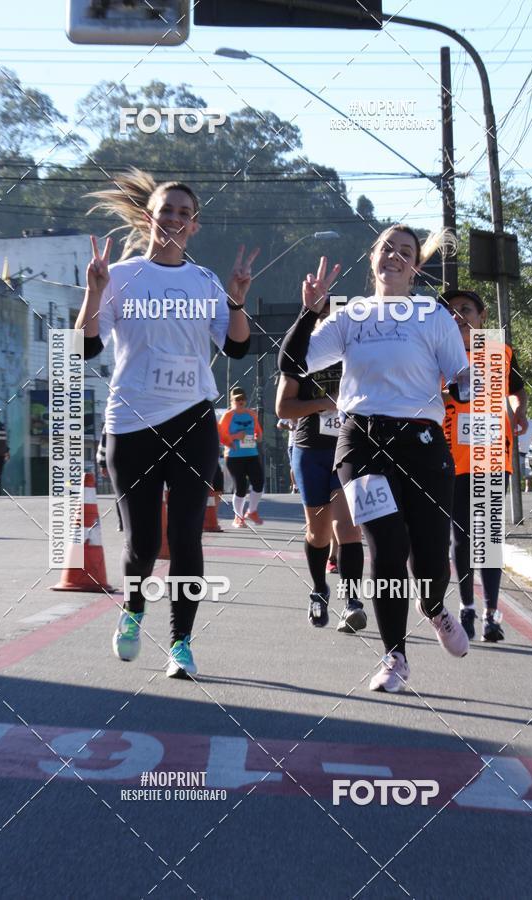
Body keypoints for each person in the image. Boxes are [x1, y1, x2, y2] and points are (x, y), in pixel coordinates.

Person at [76, 168, 258, 677]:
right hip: (131, 424)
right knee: (141, 545)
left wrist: (237, 297)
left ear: (194, 225)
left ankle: (181, 642)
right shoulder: (124, 277)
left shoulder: (205, 282)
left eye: (184, 213)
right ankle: (133, 611)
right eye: (167, 211)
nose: (175, 219)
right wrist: (93, 291)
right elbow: (86, 346)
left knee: (186, 538)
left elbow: (238, 347)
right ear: (149, 218)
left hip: (193, 421)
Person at [279, 226, 471, 693]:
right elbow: (293, 363)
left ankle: (433, 605)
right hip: (362, 443)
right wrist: (309, 312)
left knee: (429, 559)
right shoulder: (351, 315)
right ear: (373, 259)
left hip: (423, 444)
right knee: (386, 547)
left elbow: (460, 374)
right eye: (387, 248)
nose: (395, 256)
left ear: (415, 267)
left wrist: (469, 386)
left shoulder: (433, 314)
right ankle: (394, 656)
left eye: (405, 252)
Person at [441, 289, 528, 643]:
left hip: (492, 456)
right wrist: (447, 393)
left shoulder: (498, 351)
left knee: (489, 539)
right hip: (451, 460)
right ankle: (467, 607)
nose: (458, 315)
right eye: (451, 310)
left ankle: (492, 613)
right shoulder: (436, 352)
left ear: (482, 316)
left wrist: (519, 411)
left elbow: (516, 389)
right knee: (461, 540)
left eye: (466, 309)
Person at [276, 296, 366, 633]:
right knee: (318, 533)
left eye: (335, 317)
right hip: (310, 450)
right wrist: (324, 403)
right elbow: (283, 409)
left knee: (348, 529)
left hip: (349, 449)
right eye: (322, 317)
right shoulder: (302, 359)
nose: (329, 323)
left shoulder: (356, 356)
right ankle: (319, 590)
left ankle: (353, 602)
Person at [218, 388, 265, 527]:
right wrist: (235, 437)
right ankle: (238, 518)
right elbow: (221, 437)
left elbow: (259, 434)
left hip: (251, 454)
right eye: (237, 399)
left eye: (242, 399)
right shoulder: (227, 416)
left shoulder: (251, 414)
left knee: (258, 483)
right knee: (241, 487)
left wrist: (258, 437)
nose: (241, 402)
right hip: (234, 456)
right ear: (232, 401)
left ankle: (252, 511)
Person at [96, 424, 123, 531]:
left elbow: (104, 442)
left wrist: (102, 463)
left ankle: (122, 523)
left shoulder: (115, 415)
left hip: (119, 460)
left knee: (121, 493)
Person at [277, 417, 298, 493]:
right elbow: (279, 424)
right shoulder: (290, 412)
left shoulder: (306, 410)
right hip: (293, 444)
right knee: (293, 465)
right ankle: (295, 486)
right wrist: (290, 428)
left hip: (305, 443)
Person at [518, 416, 532, 491]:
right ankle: (517, 490)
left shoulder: (531, 423)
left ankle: (528, 490)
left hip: (529, 453)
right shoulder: (514, 422)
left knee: (528, 474)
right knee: (517, 474)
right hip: (518, 453)